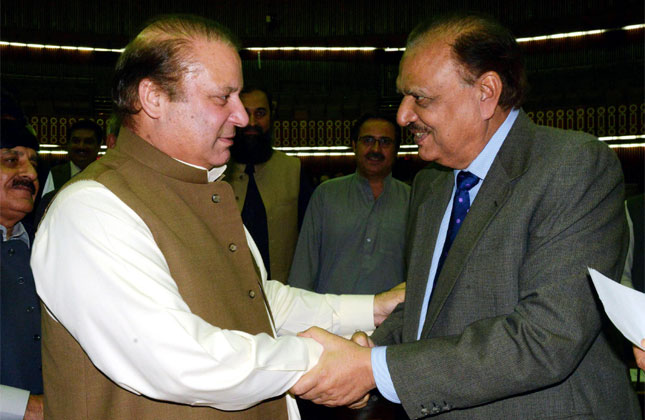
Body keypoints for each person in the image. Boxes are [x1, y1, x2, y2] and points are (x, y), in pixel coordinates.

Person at [31, 15, 403, 420]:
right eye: (222, 98)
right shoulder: (91, 208)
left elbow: (258, 302)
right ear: (153, 98)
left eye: (239, 98)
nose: (242, 117)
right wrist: (317, 360)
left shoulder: (204, 189)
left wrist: (373, 309)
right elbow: (176, 358)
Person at [290, 12, 641, 420]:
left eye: (421, 97)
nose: (403, 115)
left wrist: (375, 370)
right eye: (404, 96)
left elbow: (547, 337)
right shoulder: (431, 186)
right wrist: (369, 351)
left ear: (486, 92)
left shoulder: (572, 165)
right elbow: (427, 308)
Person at [288, 112, 410, 294]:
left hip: (392, 319)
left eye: (385, 142)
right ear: (354, 145)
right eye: (367, 140)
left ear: (396, 150)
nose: (375, 149)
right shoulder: (326, 195)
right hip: (332, 318)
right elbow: (304, 266)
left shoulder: (413, 200)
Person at [225, 87, 313, 283]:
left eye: (260, 113)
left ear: (272, 117)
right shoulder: (216, 171)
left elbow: (310, 240)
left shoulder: (293, 170)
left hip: (284, 293)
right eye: (246, 114)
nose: (253, 123)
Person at [0, 120, 43, 420]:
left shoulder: (47, 247)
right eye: (12, 160)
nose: (30, 174)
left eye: (33, 163)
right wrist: (24, 408)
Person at [40, 119, 103, 196]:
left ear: (98, 146)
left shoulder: (106, 176)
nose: (81, 146)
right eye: (76, 141)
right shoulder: (54, 175)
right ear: (68, 144)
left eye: (88, 142)